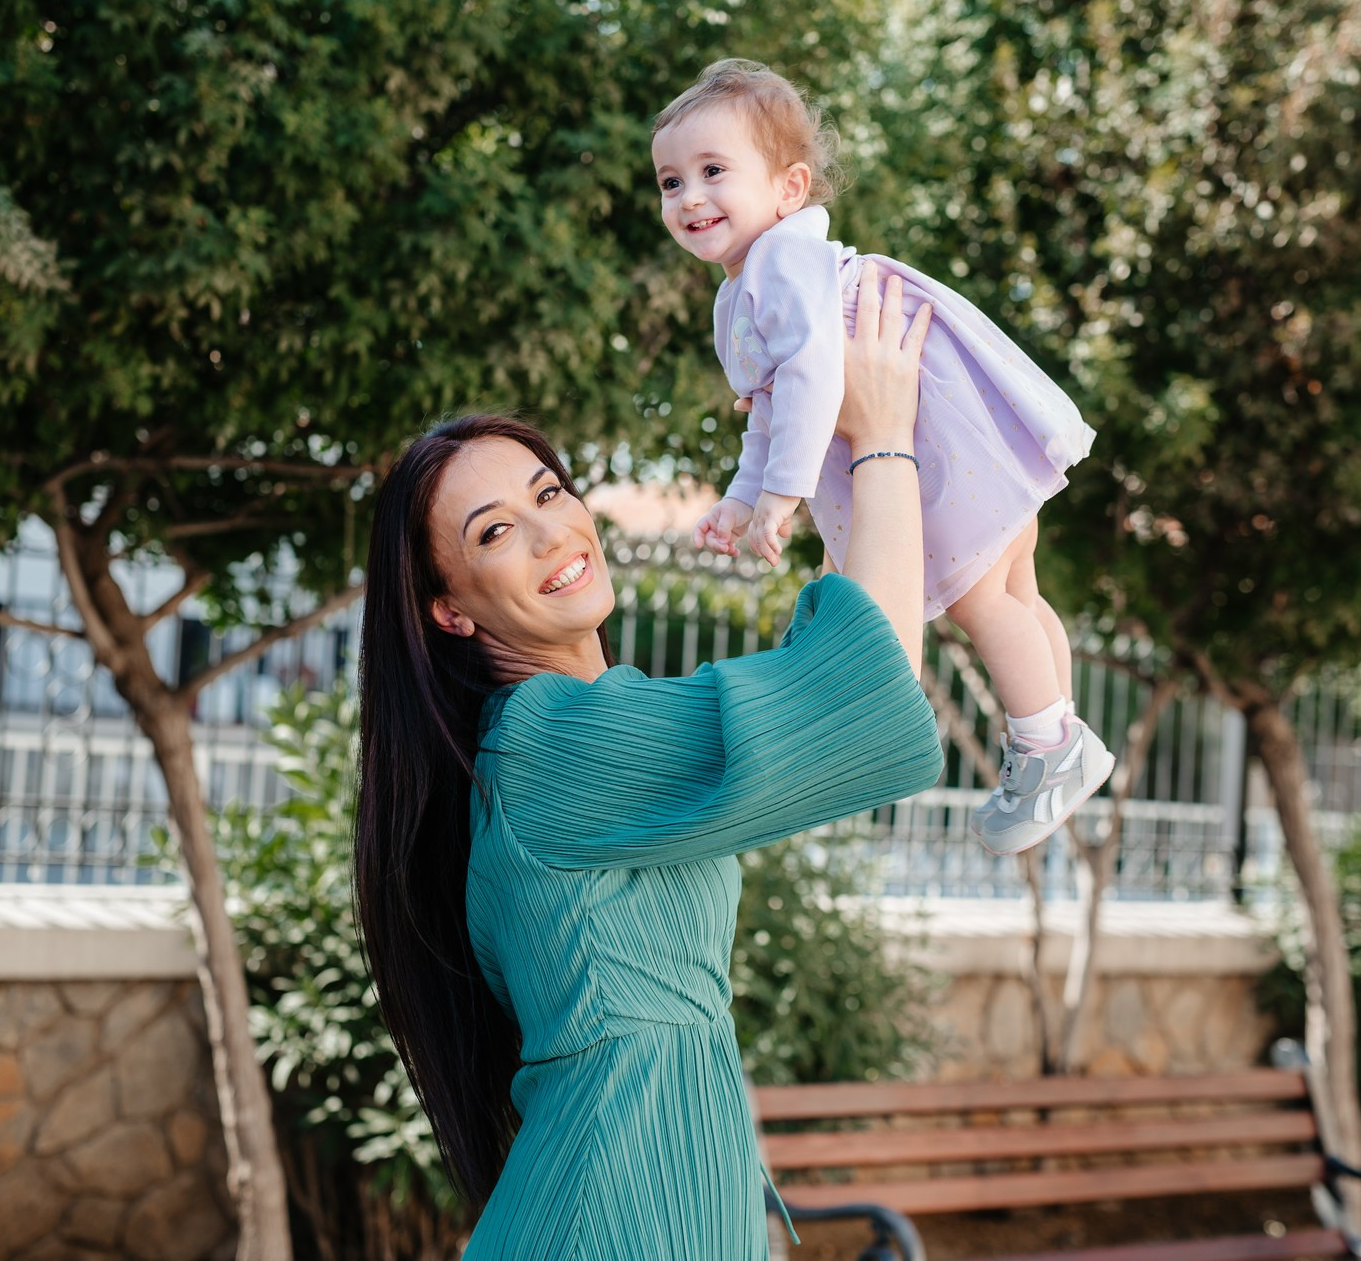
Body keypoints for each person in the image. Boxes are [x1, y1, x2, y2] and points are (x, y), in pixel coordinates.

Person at [353, 265, 945, 1258]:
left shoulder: (569, 738)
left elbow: (859, 682)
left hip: (664, 1194)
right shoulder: (546, 745)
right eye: (495, 532)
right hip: (617, 1215)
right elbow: (864, 695)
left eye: (549, 492)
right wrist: (880, 437)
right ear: (449, 610)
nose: (552, 531)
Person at [653, 58, 1112, 853]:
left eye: (713, 171)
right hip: (964, 440)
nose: (689, 197)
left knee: (982, 603)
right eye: (669, 181)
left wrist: (781, 496)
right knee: (1014, 593)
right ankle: (1057, 730)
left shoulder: (778, 265)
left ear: (789, 187)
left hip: (933, 444)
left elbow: (806, 379)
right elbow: (768, 406)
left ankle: (1047, 747)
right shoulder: (757, 278)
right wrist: (741, 492)